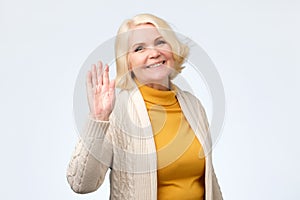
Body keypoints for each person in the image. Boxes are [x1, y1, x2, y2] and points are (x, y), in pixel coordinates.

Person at [67, 13, 223, 200]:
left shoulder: (193, 105)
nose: (154, 53)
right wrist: (99, 117)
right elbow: (81, 183)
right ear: (128, 62)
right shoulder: (117, 111)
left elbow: (208, 179)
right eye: (139, 48)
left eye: (160, 42)